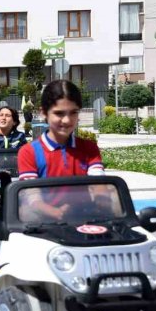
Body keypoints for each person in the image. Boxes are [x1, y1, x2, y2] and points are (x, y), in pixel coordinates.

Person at [17, 80, 105, 221]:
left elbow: (99, 185)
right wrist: (57, 213)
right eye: (59, 113)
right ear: (44, 113)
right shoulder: (28, 152)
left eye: (73, 113)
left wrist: (103, 201)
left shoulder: (89, 148)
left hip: (85, 217)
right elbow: (32, 198)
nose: (67, 120)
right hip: (44, 223)